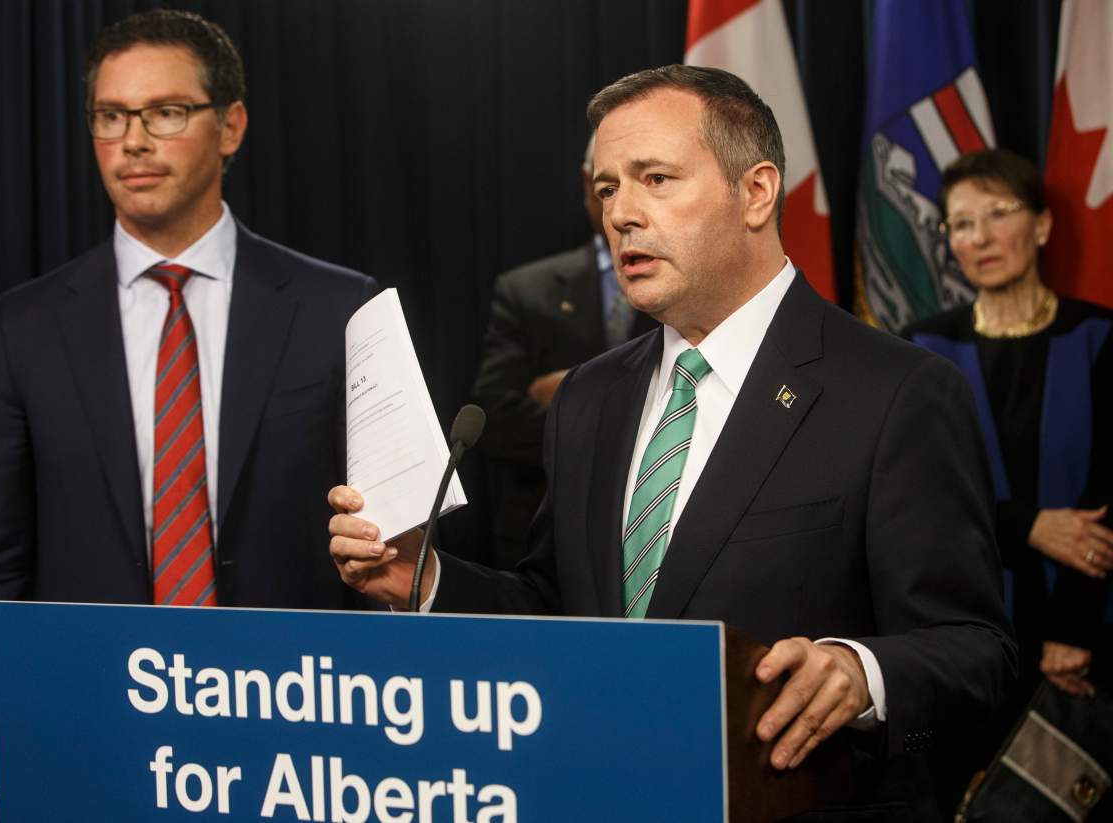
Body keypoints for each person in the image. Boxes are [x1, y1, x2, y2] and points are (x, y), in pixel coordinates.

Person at [328, 65, 1016, 817]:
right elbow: (560, 609)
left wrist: (861, 671)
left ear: (756, 192)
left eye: (655, 178)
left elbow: (975, 649)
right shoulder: (590, 397)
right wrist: (423, 578)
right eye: (606, 188)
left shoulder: (895, 391)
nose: (621, 213)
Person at [0, 10, 376, 820]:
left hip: (299, 744)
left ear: (231, 125)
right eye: (111, 116)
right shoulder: (23, 325)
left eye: (166, 113)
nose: (133, 140)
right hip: (88, 740)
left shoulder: (338, 307)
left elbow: (391, 557)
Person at [905, 148, 1113, 813]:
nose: (981, 238)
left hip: (1085, 631)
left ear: (1044, 226)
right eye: (961, 225)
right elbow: (920, 499)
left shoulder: (1101, 337)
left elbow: (1109, 494)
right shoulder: (921, 351)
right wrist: (1029, 525)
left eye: (998, 215)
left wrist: (1073, 631)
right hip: (963, 633)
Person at [473, 134, 653, 568]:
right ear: (586, 182)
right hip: (543, 540)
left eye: (651, 181)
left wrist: (573, 395)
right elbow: (492, 420)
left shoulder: (691, 288)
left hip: (655, 527)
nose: (626, 204)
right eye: (609, 187)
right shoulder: (527, 291)